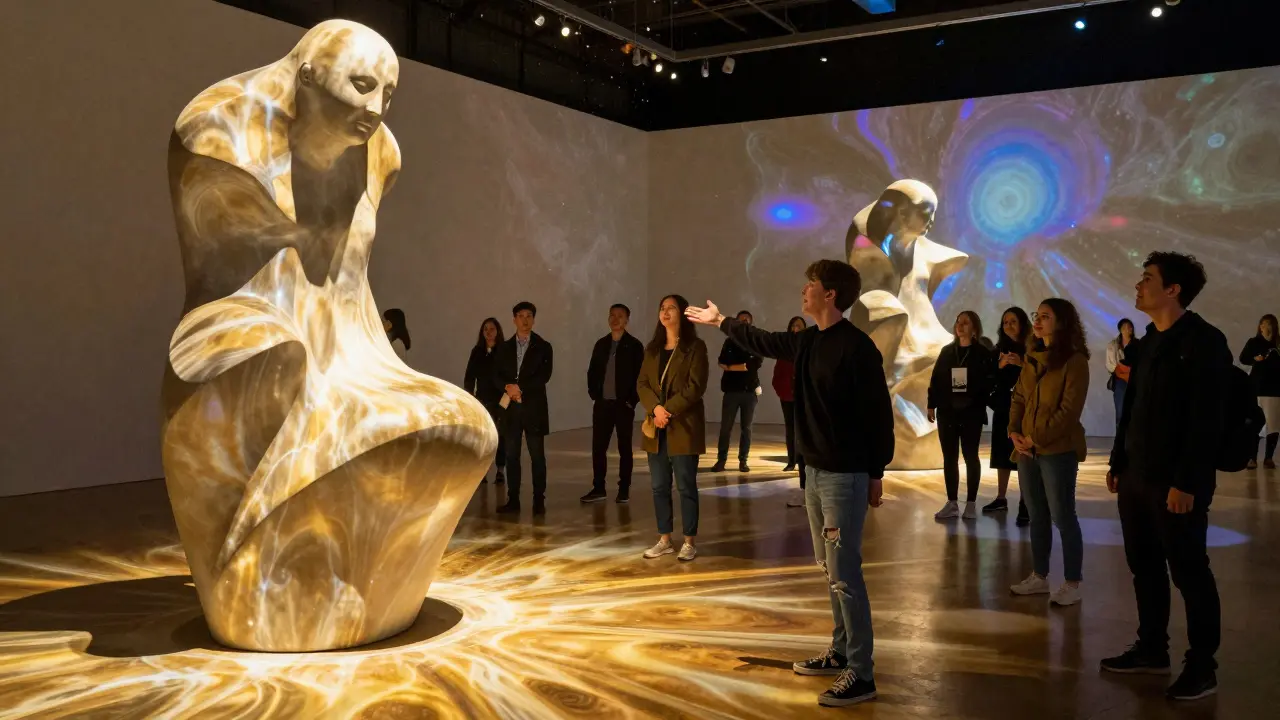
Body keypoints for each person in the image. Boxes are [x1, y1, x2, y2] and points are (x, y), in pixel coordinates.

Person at [686, 259, 892, 709]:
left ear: (830, 294)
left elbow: (878, 413)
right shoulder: (808, 341)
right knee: (829, 569)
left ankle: (862, 672)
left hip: (844, 474)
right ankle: (841, 651)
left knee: (845, 575)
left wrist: (876, 472)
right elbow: (762, 339)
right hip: (814, 471)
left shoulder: (857, 347)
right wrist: (721, 321)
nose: (804, 290)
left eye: (811, 284)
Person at [1102, 251, 1229, 701]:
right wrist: (1118, 461)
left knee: (1190, 571)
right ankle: (1152, 648)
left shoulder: (1204, 341)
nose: (1138, 286)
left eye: (1147, 279)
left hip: (1176, 482)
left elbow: (1205, 420)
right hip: (1136, 477)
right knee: (1144, 566)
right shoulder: (1148, 342)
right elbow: (1130, 409)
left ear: (1172, 290)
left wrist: (1187, 482)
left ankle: (1203, 666)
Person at [1007, 299, 1089, 608]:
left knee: (1063, 516)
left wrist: (1034, 438)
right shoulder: (1031, 357)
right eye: (1036, 315)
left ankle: (1072, 582)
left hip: (1057, 450)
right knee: (1037, 515)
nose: (1037, 321)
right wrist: (1014, 432)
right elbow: (1018, 397)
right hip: (1026, 451)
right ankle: (1039, 576)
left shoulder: (1075, 361)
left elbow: (1068, 412)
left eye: (1045, 316)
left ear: (1062, 322)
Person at [637, 295, 709, 562]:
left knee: (686, 486)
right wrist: (655, 409)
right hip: (656, 427)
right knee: (659, 486)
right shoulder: (653, 349)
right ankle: (664, 539)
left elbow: (695, 387)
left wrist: (666, 410)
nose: (665, 312)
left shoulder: (695, 347)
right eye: (662, 308)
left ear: (682, 314)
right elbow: (642, 384)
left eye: (671, 308)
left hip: (683, 426)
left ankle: (689, 541)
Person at [928, 311, 994, 520]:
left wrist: (976, 398)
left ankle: (971, 503)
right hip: (947, 412)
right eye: (958, 321)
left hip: (971, 413)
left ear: (975, 328)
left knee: (970, 456)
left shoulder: (982, 353)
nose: (960, 325)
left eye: (966, 322)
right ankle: (952, 502)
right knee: (950, 457)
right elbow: (936, 379)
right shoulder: (947, 351)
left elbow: (988, 383)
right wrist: (931, 405)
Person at [493, 302, 554, 516]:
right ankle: (513, 499)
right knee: (512, 456)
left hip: (534, 408)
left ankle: (539, 499)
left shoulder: (544, 346)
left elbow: (544, 375)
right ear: (514, 320)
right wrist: (507, 387)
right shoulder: (504, 347)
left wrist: (520, 388)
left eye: (529, 316)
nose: (525, 320)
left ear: (534, 319)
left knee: (537, 456)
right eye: (521, 316)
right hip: (511, 409)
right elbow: (495, 374)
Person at [583, 304, 646, 504]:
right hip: (602, 404)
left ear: (627, 320)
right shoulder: (601, 344)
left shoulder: (634, 346)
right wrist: (594, 394)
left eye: (620, 316)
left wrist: (631, 401)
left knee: (624, 448)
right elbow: (592, 371)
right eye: (612, 315)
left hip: (623, 405)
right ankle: (598, 487)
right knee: (598, 448)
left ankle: (624, 489)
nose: (615, 319)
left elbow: (641, 376)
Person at [986, 307, 1031, 525]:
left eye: (1013, 321)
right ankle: (1001, 497)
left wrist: (1022, 364)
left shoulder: (1032, 349)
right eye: (1005, 322)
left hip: (1025, 410)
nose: (1009, 325)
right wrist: (1000, 365)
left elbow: (1039, 375)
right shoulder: (998, 351)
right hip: (1003, 408)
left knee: (1022, 454)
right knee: (1001, 453)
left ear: (1022, 324)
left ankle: (1025, 502)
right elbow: (988, 378)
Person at [712, 311, 764, 473]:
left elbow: (752, 365)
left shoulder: (755, 342)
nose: (744, 323)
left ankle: (743, 461)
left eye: (747, 320)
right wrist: (736, 366)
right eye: (741, 320)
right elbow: (721, 362)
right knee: (725, 427)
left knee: (746, 428)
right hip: (731, 391)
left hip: (749, 392)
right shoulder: (729, 341)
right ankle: (721, 460)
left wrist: (731, 367)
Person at [464, 317, 507, 483]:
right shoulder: (477, 352)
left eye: (492, 329)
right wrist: (470, 397)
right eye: (485, 329)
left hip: (501, 400)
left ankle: (500, 469)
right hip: (482, 399)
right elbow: (469, 376)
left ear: (498, 331)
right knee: (483, 437)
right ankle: (483, 471)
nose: (489, 332)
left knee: (500, 436)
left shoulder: (504, 351)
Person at [775, 316, 808, 508]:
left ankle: (807, 486)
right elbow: (778, 375)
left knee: (803, 436)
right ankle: (791, 461)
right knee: (790, 429)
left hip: (803, 400)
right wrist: (783, 392)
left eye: (799, 326)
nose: (796, 329)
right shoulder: (785, 350)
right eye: (794, 326)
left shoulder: (808, 349)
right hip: (787, 397)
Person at [1240, 314, 1280, 469]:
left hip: (1275, 389)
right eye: (1262, 324)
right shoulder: (1253, 342)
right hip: (1256, 388)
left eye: (1268, 324)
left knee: (1273, 424)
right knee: (1255, 423)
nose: (1265, 327)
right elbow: (1243, 358)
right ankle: (1252, 458)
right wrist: (1254, 359)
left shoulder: (1278, 343)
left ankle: (1268, 458)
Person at [1106, 318, 1140, 428]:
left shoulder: (1138, 344)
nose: (1128, 329)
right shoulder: (1113, 345)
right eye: (1124, 327)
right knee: (1120, 411)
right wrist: (1121, 370)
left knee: (1135, 412)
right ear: (1120, 330)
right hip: (1120, 380)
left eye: (1130, 327)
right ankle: (1120, 436)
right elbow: (1110, 365)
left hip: (1135, 380)